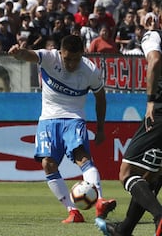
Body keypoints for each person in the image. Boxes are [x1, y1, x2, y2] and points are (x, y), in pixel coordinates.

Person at [8, 35, 116, 223]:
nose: (71, 64)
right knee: (48, 164)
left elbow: (101, 98)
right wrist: (18, 53)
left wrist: (100, 128)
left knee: (82, 158)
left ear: (82, 54)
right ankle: (73, 212)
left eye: (75, 59)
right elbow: (29, 55)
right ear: (60, 53)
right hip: (48, 120)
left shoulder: (90, 70)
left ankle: (99, 201)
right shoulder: (50, 57)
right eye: (67, 59)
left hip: (74, 118)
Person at [95, 11, 162, 236]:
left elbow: (154, 61)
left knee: (126, 172)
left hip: (160, 111)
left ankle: (160, 216)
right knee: (152, 175)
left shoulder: (153, 36)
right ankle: (125, 229)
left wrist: (151, 101)